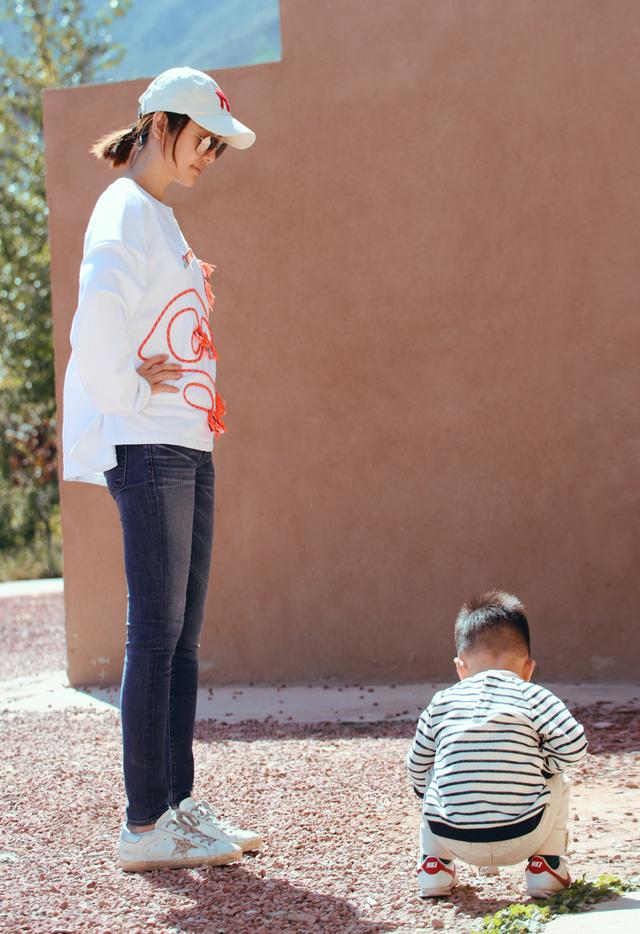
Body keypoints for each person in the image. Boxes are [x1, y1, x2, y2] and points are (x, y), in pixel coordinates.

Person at [62, 66, 262, 872]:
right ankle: (145, 823)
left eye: (218, 143)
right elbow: (97, 314)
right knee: (157, 633)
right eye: (202, 136)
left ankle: (174, 806)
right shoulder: (125, 211)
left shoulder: (157, 217)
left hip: (184, 440)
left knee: (179, 638)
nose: (209, 152)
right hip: (148, 444)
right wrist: (121, 390)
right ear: (159, 123)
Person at [407, 591, 587, 898]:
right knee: (559, 779)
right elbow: (574, 746)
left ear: (460, 667)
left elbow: (415, 766)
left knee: (431, 773)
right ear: (529, 669)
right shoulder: (534, 696)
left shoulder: (443, 702)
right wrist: (542, 766)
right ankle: (546, 866)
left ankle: (434, 866)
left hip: (452, 835)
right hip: (524, 833)